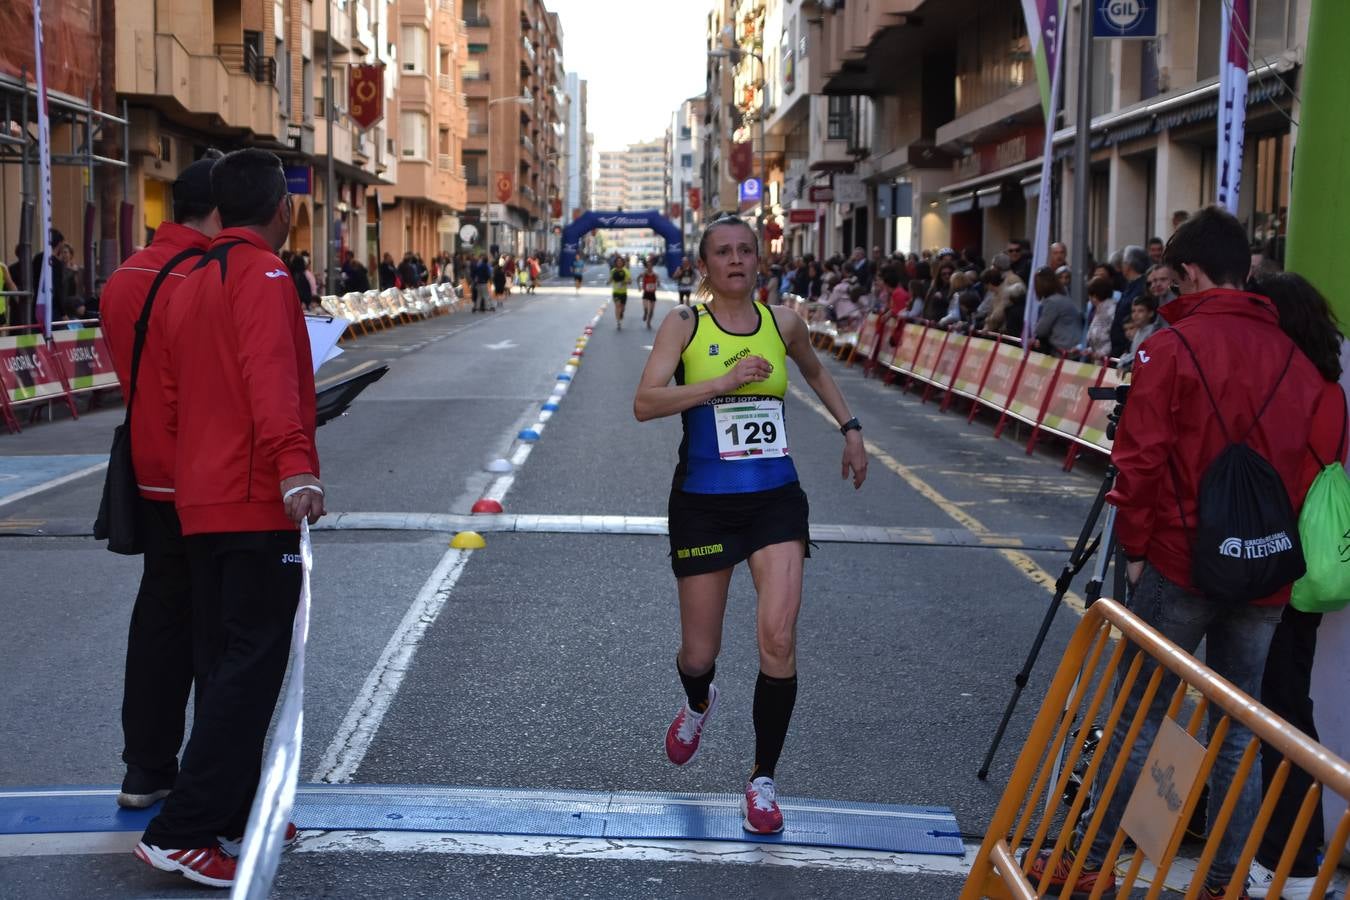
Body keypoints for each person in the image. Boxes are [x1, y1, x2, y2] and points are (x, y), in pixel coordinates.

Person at [1031, 207, 1329, 900]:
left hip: (1179, 556)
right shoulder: (1294, 356)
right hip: (1264, 566)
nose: (1164, 289)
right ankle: (1225, 880)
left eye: (1170, 276)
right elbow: (1314, 461)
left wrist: (1136, 551)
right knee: (1240, 725)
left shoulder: (1169, 348)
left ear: (1192, 271)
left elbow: (1139, 461)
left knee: (1140, 712)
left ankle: (1093, 863)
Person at [633, 214, 867, 837]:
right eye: (722, 252)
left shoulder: (782, 322)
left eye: (745, 251)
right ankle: (697, 702)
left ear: (759, 260)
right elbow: (644, 402)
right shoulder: (685, 324)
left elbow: (815, 371)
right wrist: (721, 383)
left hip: (774, 501)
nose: (735, 260)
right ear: (704, 265)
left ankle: (762, 778)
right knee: (699, 652)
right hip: (704, 503)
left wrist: (851, 430)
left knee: (778, 637)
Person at [134, 148, 324, 889]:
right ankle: (181, 829)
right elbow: (270, 375)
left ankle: (231, 810)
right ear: (285, 210)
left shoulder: (188, 278)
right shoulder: (265, 272)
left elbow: (169, 397)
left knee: (222, 664)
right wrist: (296, 465)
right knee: (251, 665)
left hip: (201, 500)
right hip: (253, 497)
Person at [100, 151, 223, 814]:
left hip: (149, 475)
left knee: (158, 620)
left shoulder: (124, 278)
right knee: (222, 632)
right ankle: (212, 783)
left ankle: (146, 768)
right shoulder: (211, 276)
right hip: (210, 478)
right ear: (221, 210)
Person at [1248, 272, 1345, 900]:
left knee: (1280, 708)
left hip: (1270, 558)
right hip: (1305, 563)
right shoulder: (1330, 386)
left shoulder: (1284, 383)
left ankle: (1293, 854)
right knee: (1288, 699)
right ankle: (1295, 851)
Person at [1108, 245, 1149, 358]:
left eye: (1123, 263)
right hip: (1120, 346)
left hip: (1128, 346)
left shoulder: (1141, 287)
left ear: (1128, 265)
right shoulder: (1129, 285)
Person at [1031, 266, 1081, 354]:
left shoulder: (1052, 302)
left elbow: (1042, 330)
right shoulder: (1063, 298)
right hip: (1072, 346)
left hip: (1063, 349)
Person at [1083, 275, 1117, 361]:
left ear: (1094, 296)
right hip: (1098, 359)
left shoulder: (1110, 311)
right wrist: (1091, 350)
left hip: (1106, 360)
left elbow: (1112, 337)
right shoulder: (1099, 310)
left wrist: (1102, 352)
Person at [609, 255, 631, 330]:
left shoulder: (626, 271)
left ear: (622, 263)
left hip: (623, 292)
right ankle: (618, 322)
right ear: (615, 263)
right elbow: (611, 279)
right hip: (616, 292)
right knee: (617, 306)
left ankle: (621, 313)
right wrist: (608, 281)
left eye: (620, 262)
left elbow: (630, 281)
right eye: (618, 262)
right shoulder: (613, 271)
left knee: (622, 308)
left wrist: (625, 282)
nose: (619, 263)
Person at [639, 258, 660, 329]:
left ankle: (649, 322)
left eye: (650, 266)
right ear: (646, 266)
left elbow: (658, 281)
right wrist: (639, 286)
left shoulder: (655, 274)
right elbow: (638, 278)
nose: (649, 267)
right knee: (646, 309)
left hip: (652, 293)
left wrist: (658, 283)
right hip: (646, 293)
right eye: (648, 266)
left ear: (652, 266)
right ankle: (645, 313)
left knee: (651, 311)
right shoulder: (644, 274)